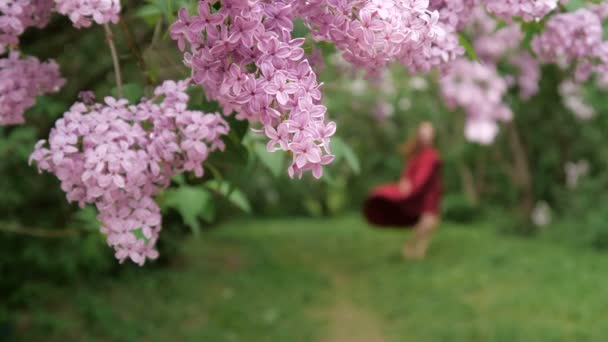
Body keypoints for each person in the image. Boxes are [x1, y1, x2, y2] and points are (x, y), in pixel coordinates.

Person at [363, 121, 442, 259]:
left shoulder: (433, 154)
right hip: (419, 191)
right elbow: (410, 172)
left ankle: (418, 251)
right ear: (419, 135)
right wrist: (406, 182)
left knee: (431, 222)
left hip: (430, 193)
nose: (426, 136)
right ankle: (412, 247)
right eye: (424, 133)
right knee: (428, 222)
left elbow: (428, 174)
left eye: (429, 133)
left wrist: (415, 185)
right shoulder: (416, 155)